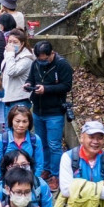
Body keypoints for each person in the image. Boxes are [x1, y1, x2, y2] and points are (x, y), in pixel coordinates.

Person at [27, 40, 74, 188]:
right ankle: (45, 169)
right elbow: (31, 78)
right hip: (38, 110)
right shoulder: (35, 64)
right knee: (41, 143)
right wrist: (28, 85)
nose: (42, 61)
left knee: (54, 145)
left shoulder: (62, 65)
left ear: (51, 53)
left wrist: (46, 89)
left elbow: (66, 86)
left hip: (54, 112)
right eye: (39, 59)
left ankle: (56, 175)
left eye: (45, 59)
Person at [0, 105, 46, 181]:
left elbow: (39, 165)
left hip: (28, 180)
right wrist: (3, 181)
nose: (21, 125)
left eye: (24, 121)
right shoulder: (1, 140)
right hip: (6, 180)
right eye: (17, 121)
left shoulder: (35, 140)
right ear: (11, 121)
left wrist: (33, 181)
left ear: (29, 123)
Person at [0, 29, 35, 120]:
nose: (11, 44)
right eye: (9, 41)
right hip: (8, 97)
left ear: (22, 44)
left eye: (15, 42)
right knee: (8, 128)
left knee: (17, 128)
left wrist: (10, 53)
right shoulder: (9, 54)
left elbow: (12, 72)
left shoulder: (26, 58)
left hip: (19, 98)